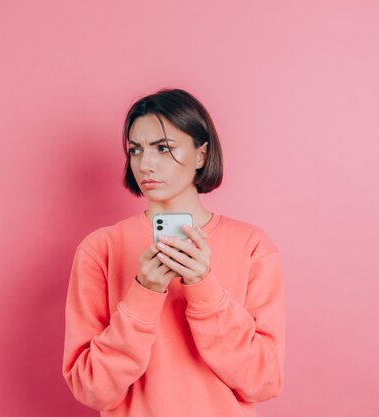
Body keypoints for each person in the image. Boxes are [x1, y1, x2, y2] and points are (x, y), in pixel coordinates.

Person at [62, 88, 286, 417]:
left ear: (201, 155)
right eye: (136, 150)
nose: (145, 164)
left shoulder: (252, 247)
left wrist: (204, 288)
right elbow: (92, 389)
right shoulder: (100, 249)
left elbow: (264, 381)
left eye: (163, 148)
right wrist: (144, 293)